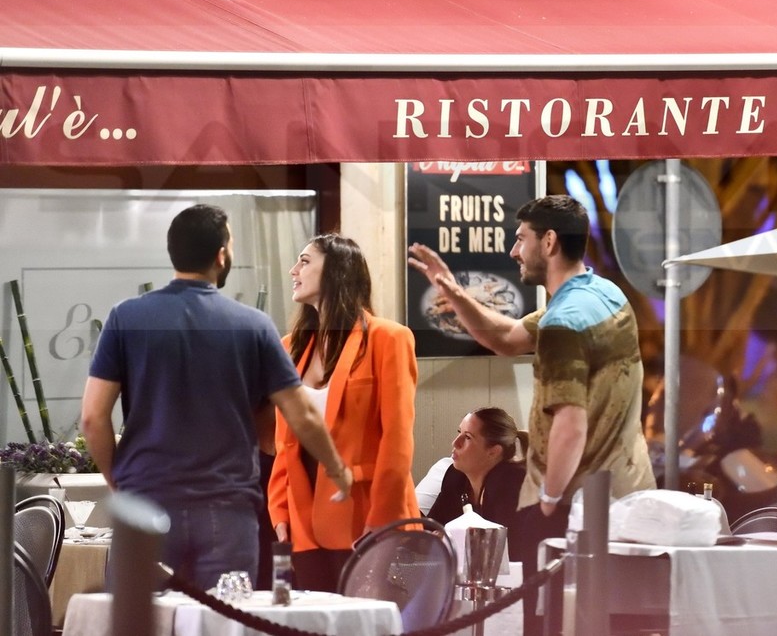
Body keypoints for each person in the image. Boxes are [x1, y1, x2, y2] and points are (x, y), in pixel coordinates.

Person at [410, 194, 655, 631]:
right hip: (623, 499)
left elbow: (570, 425)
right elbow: (506, 338)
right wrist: (451, 289)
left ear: (549, 242)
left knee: (552, 625)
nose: (513, 251)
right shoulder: (603, 295)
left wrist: (547, 502)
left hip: (573, 509)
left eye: (521, 239)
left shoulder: (564, 322)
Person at [81, 204, 352, 591]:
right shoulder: (252, 325)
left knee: (138, 617)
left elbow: (93, 418)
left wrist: (118, 481)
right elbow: (301, 414)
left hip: (145, 503)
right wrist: (337, 469)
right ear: (221, 254)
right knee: (225, 617)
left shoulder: (127, 318)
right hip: (227, 511)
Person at [268, 233, 420, 592]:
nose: (293, 270)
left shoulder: (389, 338)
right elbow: (284, 443)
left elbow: (397, 438)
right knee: (316, 618)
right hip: (303, 522)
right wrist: (279, 509)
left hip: (367, 515)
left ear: (336, 270)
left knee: (369, 617)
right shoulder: (289, 347)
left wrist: (382, 517)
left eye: (305, 261)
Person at [427, 407, 527, 530]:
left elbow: (507, 540)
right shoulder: (455, 476)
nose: (455, 443)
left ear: (493, 452)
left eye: (468, 437)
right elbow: (429, 528)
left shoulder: (510, 484)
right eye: (459, 432)